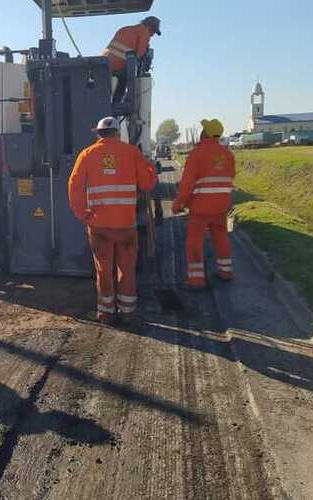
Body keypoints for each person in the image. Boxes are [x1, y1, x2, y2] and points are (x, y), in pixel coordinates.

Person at [68, 116, 158, 325]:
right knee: (127, 270)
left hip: (99, 225)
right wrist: (151, 168)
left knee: (103, 270)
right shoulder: (132, 153)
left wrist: (83, 214)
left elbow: (74, 187)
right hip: (126, 225)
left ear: (98, 134)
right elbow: (147, 184)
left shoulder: (87, 155)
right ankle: (127, 312)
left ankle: (106, 313)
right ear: (118, 133)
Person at [172, 119, 236, 290]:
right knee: (221, 238)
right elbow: (230, 177)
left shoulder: (197, 154)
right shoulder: (228, 155)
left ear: (206, 133)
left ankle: (196, 280)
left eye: (203, 129)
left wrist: (178, 203)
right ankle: (226, 272)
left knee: (195, 241)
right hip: (221, 206)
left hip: (200, 208)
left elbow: (187, 184)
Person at [104, 16, 161, 103]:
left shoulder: (124, 29)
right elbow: (138, 56)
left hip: (103, 66)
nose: (152, 35)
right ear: (148, 26)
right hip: (117, 68)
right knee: (126, 79)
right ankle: (117, 106)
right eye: (152, 32)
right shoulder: (144, 33)